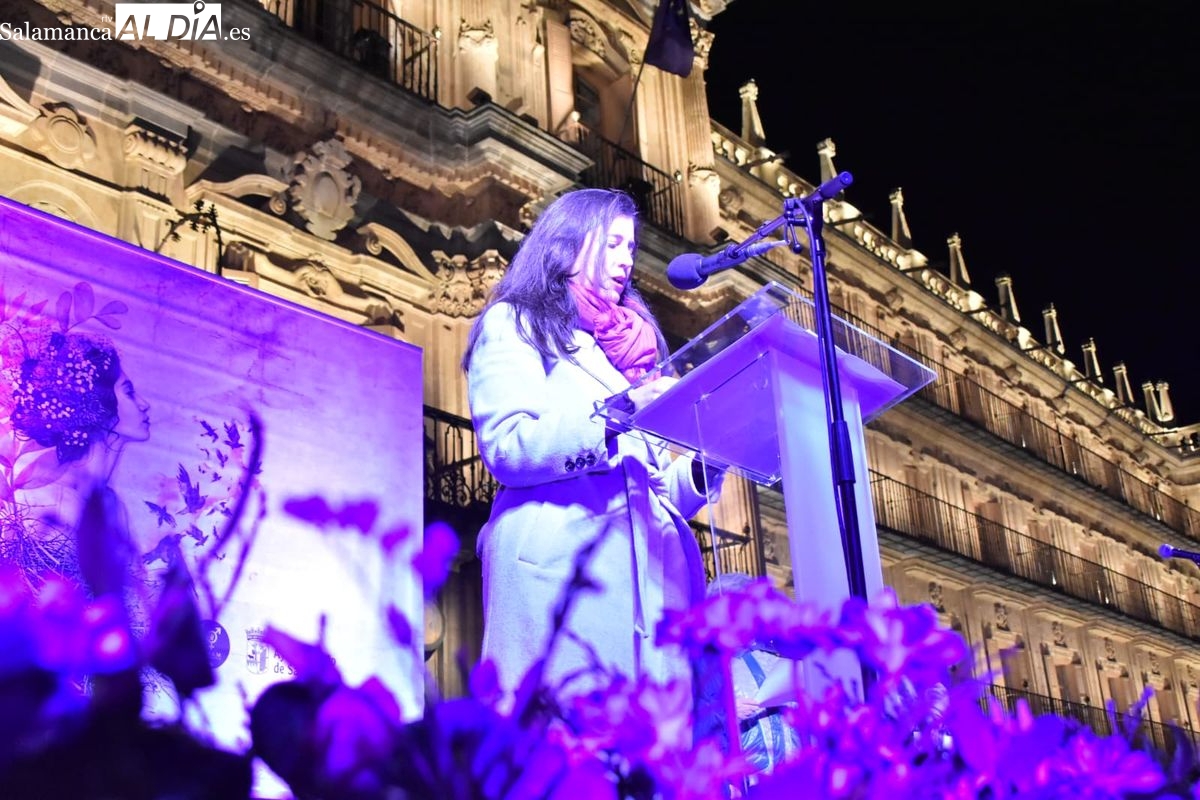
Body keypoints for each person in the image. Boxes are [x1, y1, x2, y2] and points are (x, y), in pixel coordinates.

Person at [462, 188, 720, 700]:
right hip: (562, 579)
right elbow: (508, 445)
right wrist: (621, 412)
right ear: (571, 242)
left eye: (632, 246)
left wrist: (704, 467)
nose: (628, 258)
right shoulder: (515, 324)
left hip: (644, 588)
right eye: (615, 243)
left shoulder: (625, 360)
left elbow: (645, 484)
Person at [2, 329, 151, 586]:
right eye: (128, 392)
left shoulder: (111, 506)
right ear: (98, 405)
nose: (144, 403)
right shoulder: (53, 503)